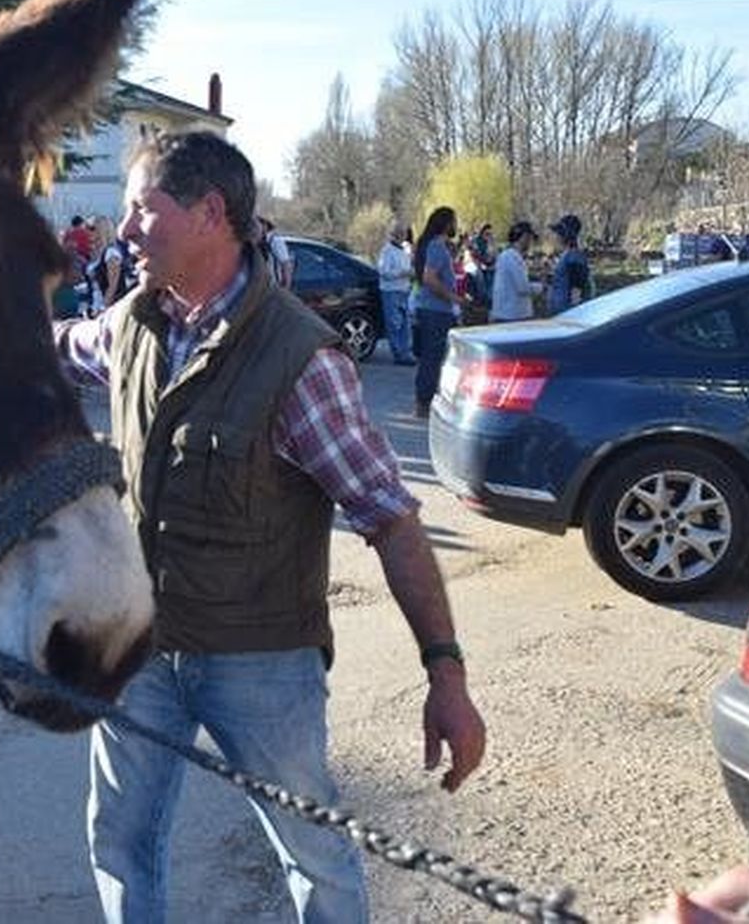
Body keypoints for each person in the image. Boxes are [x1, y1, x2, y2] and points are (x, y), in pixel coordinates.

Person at [54, 130, 486, 924]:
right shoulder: (131, 322)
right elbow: (53, 350)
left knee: (313, 855)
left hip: (260, 663)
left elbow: (391, 522)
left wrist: (445, 676)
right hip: (141, 649)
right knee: (118, 838)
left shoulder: (300, 360)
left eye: (141, 212)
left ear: (209, 213)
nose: (122, 233)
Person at [412, 206, 461, 418]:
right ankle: (424, 402)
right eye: (454, 221)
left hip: (431, 309)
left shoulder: (432, 245)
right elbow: (429, 278)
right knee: (432, 358)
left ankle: (426, 400)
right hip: (436, 311)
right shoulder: (436, 247)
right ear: (446, 223)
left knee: (432, 357)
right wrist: (453, 297)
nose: (456, 226)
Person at [489, 221, 542, 322]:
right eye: (529, 238)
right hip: (511, 316)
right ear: (524, 237)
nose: (530, 242)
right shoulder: (512, 257)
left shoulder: (510, 256)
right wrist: (541, 287)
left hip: (510, 314)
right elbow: (523, 288)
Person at [376, 224, 414, 365]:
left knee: (405, 323)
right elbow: (384, 272)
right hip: (391, 291)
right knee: (394, 323)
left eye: (404, 233)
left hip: (404, 289)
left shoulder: (404, 250)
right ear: (395, 234)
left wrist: (411, 273)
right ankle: (398, 354)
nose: (404, 236)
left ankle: (406, 352)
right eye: (401, 233)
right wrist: (402, 273)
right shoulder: (387, 251)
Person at [546, 213, 591, 315]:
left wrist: (574, 313)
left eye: (558, 233)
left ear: (565, 235)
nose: (556, 236)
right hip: (560, 313)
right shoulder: (567, 255)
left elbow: (577, 287)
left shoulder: (573, 257)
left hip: (566, 314)